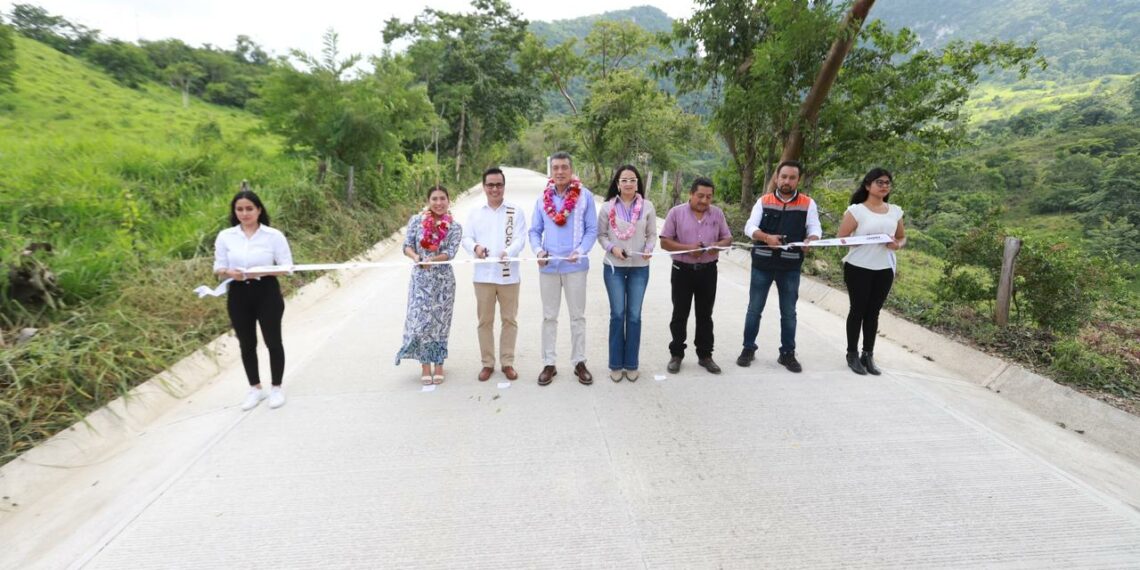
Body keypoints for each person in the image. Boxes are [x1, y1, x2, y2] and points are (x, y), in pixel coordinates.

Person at [213, 189, 293, 411]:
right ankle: (255, 389)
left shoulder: (273, 236)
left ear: (259, 210)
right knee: (247, 343)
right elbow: (218, 267)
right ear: (234, 212)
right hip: (238, 293)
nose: (245, 213)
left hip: (266, 291)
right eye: (240, 209)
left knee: (273, 341)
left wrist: (264, 270)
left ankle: (276, 387)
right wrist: (230, 272)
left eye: (249, 209)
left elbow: (287, 267)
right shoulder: (226, 236)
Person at [738, 160, 821, 373]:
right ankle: (748, 349)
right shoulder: (763, 201)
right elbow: (750, 227)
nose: (787, 181)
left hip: (790, 266)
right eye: (783, 176)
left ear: (798, 180)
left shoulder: (807, 203)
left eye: (792, 177)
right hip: (762, 263)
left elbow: (814, 228)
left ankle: (787, 354)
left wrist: (811, 239)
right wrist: (766, 237)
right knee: (754, 309)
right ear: (776, 177)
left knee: (789, 312)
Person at [529, 151, 598, 386]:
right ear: (551, 171)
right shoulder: (542, 198)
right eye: (555, 167)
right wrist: (538, 251)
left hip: (575, 266)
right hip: (549, 266)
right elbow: (534, 231)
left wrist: (580, 251)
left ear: (571, 170)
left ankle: (579, 362)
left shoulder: (585, 196)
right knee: (549, 316)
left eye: (564, 167)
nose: (559, 172)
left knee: (577, 316)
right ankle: (549, 363)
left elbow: (592, 230)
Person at [660, 177, 733, 375]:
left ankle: (705, 355)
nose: (704, 200)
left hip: (708, 271)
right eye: (700, 195)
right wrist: (688, 249)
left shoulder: (717, 214)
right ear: (690, 194)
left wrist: (716, 247)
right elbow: (665, 242)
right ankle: (676, 354)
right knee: (680, 314)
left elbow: (728, 238)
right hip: (682, 271)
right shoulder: (676, 213)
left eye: (708, 197)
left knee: (705, 315)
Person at [836, 167, 906, 375]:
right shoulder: (856, 210)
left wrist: (897, 245)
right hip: (858, 267)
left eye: (887, 183)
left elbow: (902, 237)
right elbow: (842, 237)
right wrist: (857, 241)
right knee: (857, 310)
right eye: (879, 182)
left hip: (884, 269)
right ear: (868, 185)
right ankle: (852, 353)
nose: (884, 186)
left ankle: (868, 354)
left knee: (873, 312)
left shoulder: (895, 211)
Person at [462, 167, 527, 382]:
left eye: (498, 184)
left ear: (504, 186)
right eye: (490, 185)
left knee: (509, 320)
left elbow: (520, 239)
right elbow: (467, 238)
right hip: (483, 276)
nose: (494, 189)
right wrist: (476, 248)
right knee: (484, 322)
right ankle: (487, 364)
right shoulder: (475, 211)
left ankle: (507, 362)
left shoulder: (515, 211)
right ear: (484, 187)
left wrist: (509, 252)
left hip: (509, 275)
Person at [396, 185, 463, 385]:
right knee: (422, 323)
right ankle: (425, 365)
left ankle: (439, 364)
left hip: (443, 282)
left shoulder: (454, 227)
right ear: (428, 201)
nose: (439, 202)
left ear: (449, 200)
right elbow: (406, 245)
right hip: (420, 280)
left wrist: (432, 260)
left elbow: (450, 252)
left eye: (443, 198)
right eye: (434, 198)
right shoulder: (417, 221)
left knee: (440, 323)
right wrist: (416, 256)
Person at [597, 164, 657, 382]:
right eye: (624, 180)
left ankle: (631, 364)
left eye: (632, 180)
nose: (629, 184)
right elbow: (601, 235)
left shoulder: (647, 206)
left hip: (639, 268)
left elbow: (652, 235)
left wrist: (649, 249)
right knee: (618, 314)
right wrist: (612, 248)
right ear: (617, 183)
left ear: (638, 182)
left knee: (634, 316)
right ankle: (615, 364)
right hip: (614, 267)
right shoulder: (606, 208)